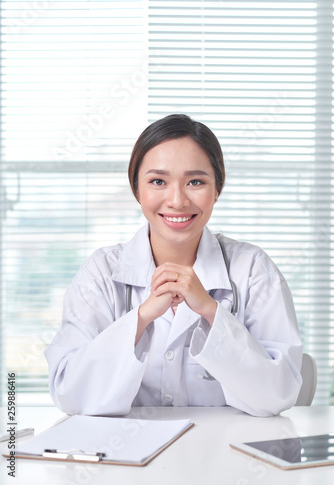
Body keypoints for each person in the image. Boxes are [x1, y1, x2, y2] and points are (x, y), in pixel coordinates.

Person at [45, 114, 302, 417]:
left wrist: (209, 310)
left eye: (195, 181)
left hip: (225, 458)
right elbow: (71, 395)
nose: (177, 200)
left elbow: (278, 394)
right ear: (137, 190)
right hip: (124, 459)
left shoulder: (253, 270)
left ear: (217, 189)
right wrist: (142, 317)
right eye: (158, 181)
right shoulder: (100, 273)